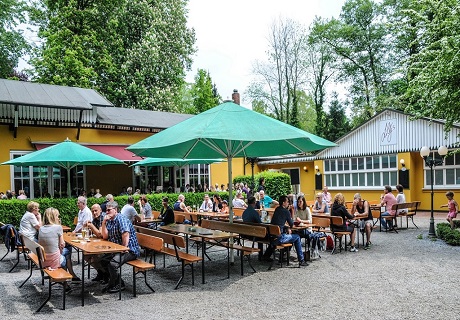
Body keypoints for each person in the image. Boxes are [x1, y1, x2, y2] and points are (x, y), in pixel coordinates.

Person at [100, 201, 140, 293]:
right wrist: (104, 223)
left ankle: (117, 284)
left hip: (129, 250)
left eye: (109, 210)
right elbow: (105, 236)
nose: (107, 212)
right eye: (106, 210)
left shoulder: (121, 219)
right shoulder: (109, 220)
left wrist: (123, 249)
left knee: (113, 264)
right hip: (117, 249)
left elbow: (126, 235)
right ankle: (117, 282)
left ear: (115, 210)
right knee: (103, 260)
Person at [38, 208, 80, 282]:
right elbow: (62, 245)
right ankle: (67, 277)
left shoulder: (41, 228)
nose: (58, 218)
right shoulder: (58, 228)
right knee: (67, 251)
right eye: (57, 216)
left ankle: (69, 276)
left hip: (43, 260)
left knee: (66, 251)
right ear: (53, 217)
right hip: (54, 262)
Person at [269, 195, 308, 266]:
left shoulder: (277, 209)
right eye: (287, 202)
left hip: (272, 237)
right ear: (283, 203)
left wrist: (286, 227)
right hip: (279, 238)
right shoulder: (286, 211)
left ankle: (277, 256)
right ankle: (301, 260)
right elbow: (292, 225)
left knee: (288, 235)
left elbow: (279, 222)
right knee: (297, 237)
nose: (288, 203)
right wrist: (292, 211)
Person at [86, 204, 108, 282]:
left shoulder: (104, 217)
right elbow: (93, 233)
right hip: (100, 244)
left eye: (96, 211)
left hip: (109, 244)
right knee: (86, 256)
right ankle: (100, 272)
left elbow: (100, 234)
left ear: (100, 210)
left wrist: (91, 226)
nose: (94, 213)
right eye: (93, 211)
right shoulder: (95, 219)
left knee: (97, 256)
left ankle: (106, 274)